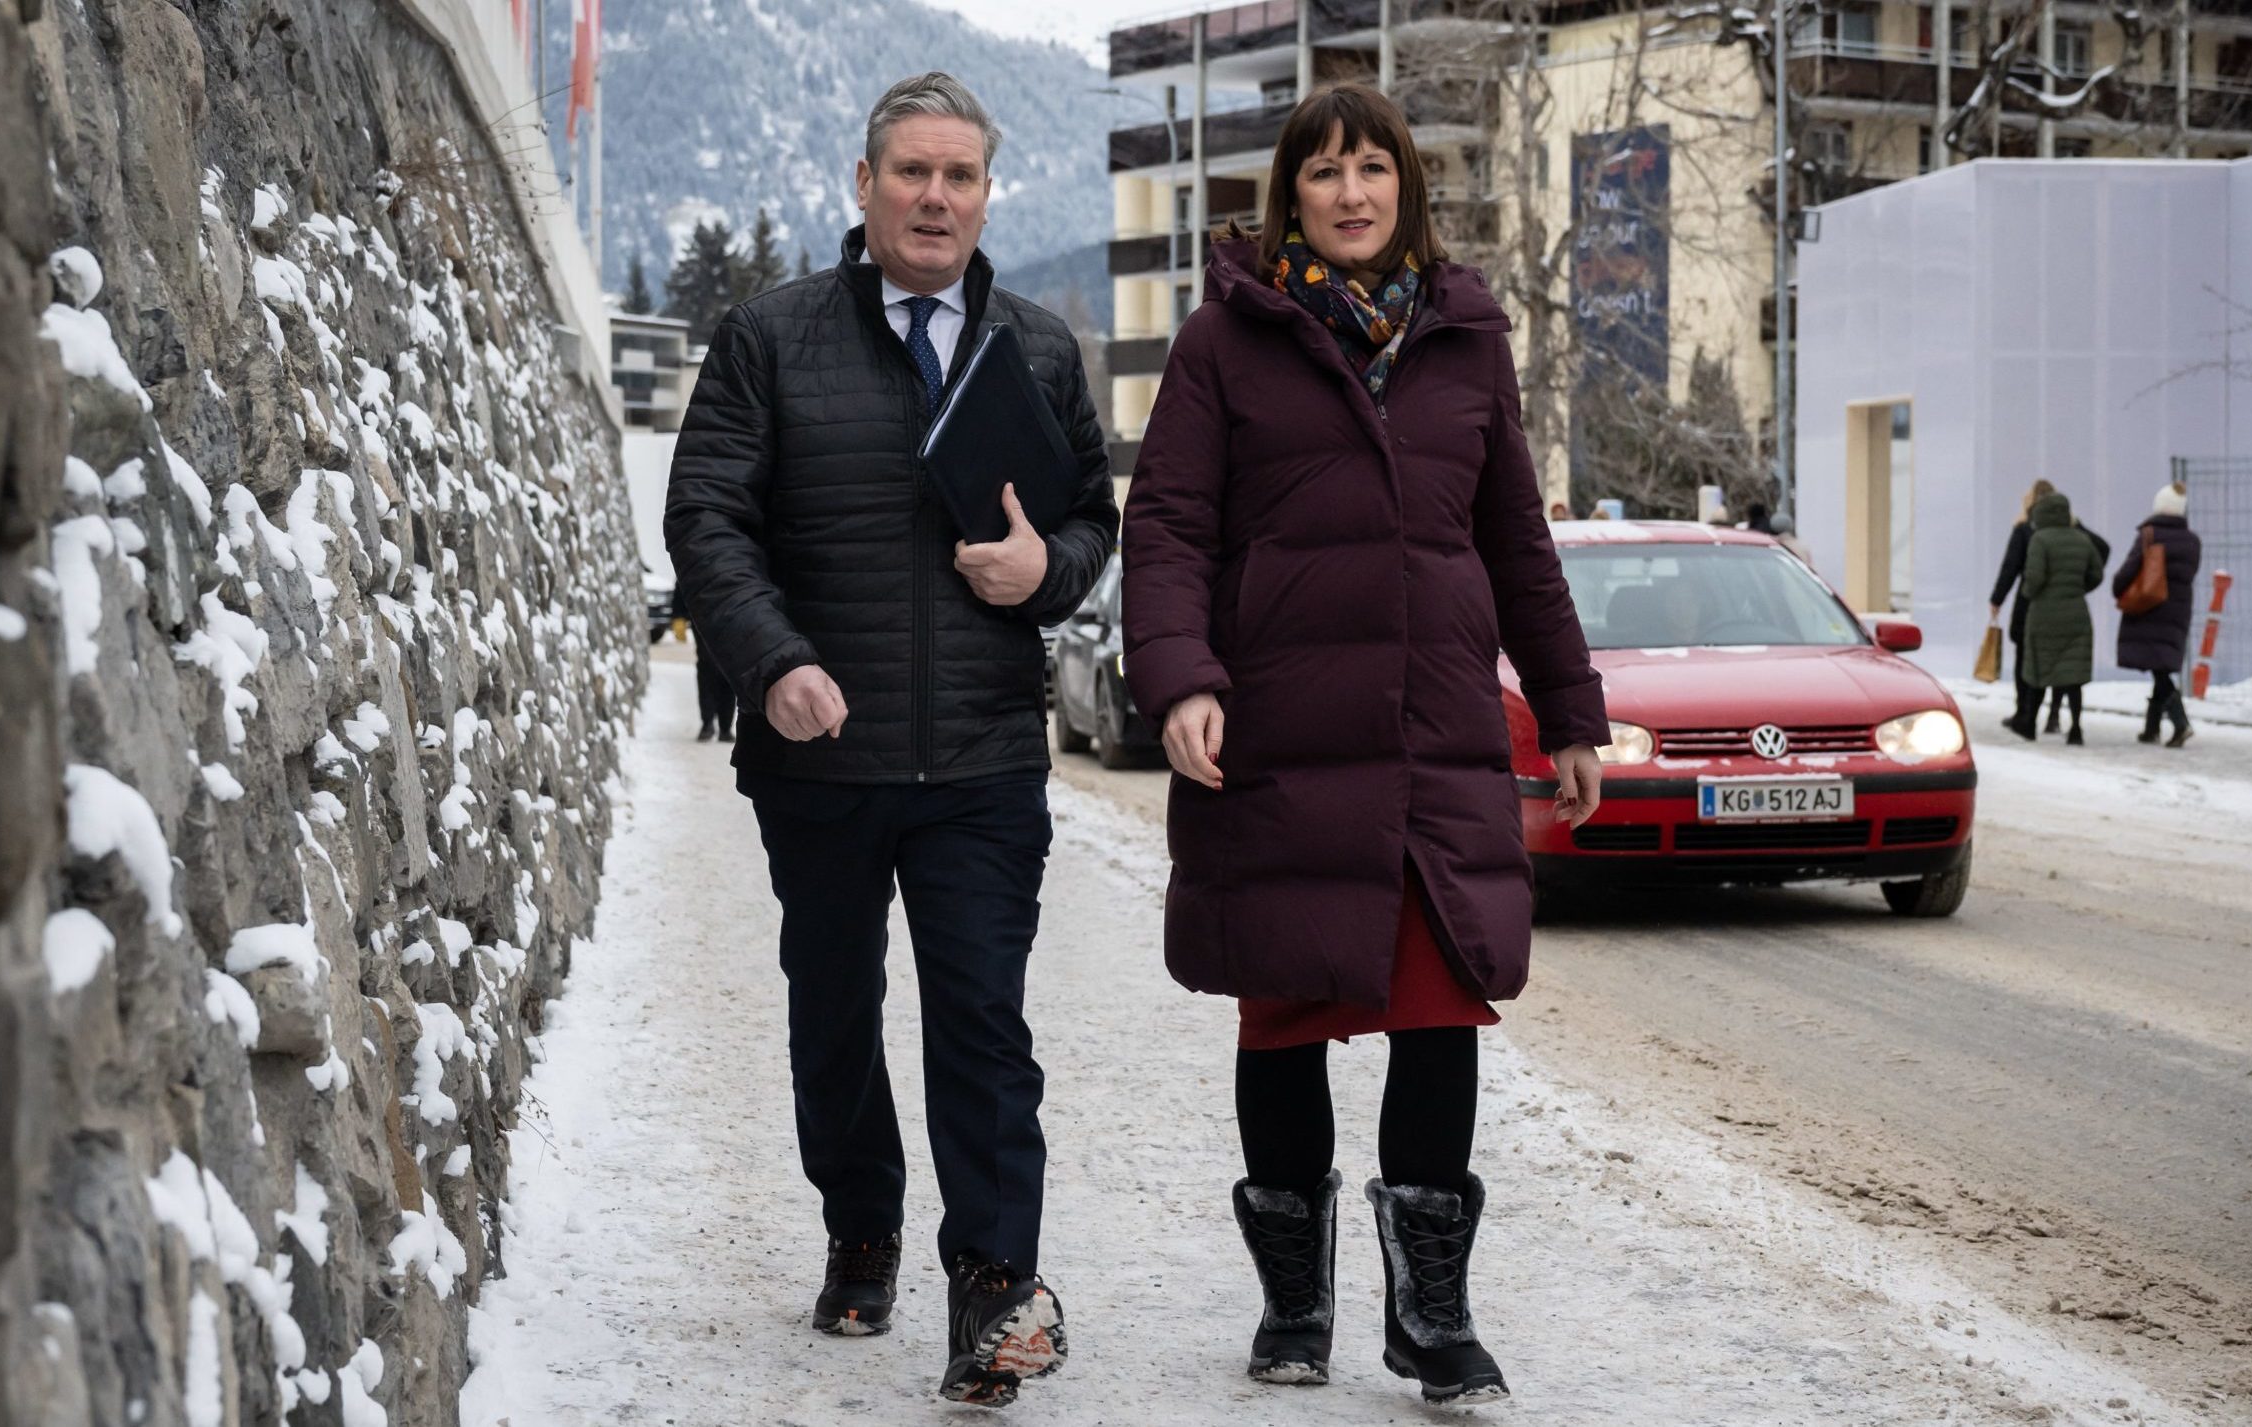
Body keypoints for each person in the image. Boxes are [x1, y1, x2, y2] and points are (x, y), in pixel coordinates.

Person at [1120, 81, 1606, 1407]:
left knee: (1439, 1012)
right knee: (1284, 1010)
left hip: (1435, 737)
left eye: (1372, 169)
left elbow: (1517, 544)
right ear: (1290, 194)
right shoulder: (1226, 341)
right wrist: (1180, 680)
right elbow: (1167, 526)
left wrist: (1570, 710)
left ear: (1407, 190)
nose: (1349, 192)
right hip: (1280, 735)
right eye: (1324, 171)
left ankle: (1431, 1317)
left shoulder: (1467, 341)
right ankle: (1293, 1305)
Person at [662, 72, 1119, 1406]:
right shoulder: (770, 336)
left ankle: (992, 1291)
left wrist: (1044, 568)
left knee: (982, 1019)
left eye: (959, 176)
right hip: (823, 755)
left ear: (987, 192)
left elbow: (1094, 524)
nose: (935, 197)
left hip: (984, 756)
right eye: (911, 173)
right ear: (863, 187)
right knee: (834, 1012)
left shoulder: (1034, 346)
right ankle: (860, 1223)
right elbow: (706, 521)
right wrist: (774, 658)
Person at [1989, 480, 2109, 738]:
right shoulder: (2077, 533)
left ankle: (2027, 717)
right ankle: (2063, 720)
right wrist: (2077, 587)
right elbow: (2100, 560)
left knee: (2033, 663)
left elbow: (2019, 572)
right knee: (2069, 667)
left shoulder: (2031, 533)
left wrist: (1999, 598)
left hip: (2036, 609)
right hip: (2074, 609)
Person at [2114, 481, 2202, 748]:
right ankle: (2151, 729)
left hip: (2149, 608)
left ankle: (2180, 722)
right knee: (2160, 666)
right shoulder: (2192, 541)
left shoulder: (2149, 534)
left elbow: (2129, 570)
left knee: (2160, 672)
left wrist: (2118, 587)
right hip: (2178, 610)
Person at [2017, 490, 2105, 743]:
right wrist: (2077, 590)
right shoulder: (2081, 539)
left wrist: (2028, 593)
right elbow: (2096, 574)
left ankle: (2030, 725)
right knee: (2073, 675)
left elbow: (2034, 578)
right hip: (2076, 614)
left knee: (2038, 671)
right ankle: (2076, 729)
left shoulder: (2039, 540)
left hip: (2043, 615)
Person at [692, 623, 736, 743]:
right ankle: (707, 723)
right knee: (706, 679)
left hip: (732, 626)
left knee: (728, 681)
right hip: (704, 622)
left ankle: (725, 728)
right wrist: (678, 614)